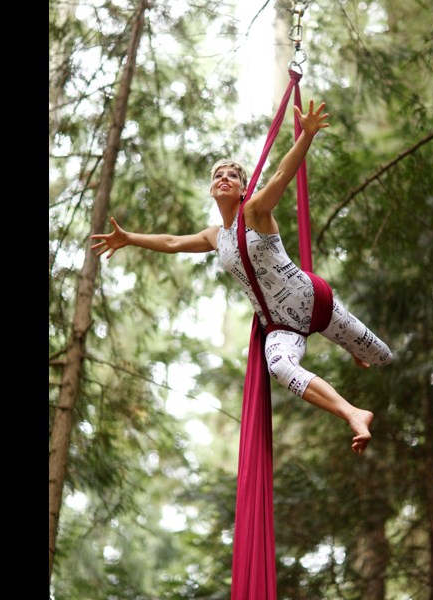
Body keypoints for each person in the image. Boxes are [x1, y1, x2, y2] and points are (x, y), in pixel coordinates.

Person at [90, 100, 392, 455]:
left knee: (383, 357)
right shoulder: (215, 236)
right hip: (280, 325)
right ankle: (353, 413)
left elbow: (280, 175)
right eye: (218, 175)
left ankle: (353, 346)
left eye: (232, 175)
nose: (224, 178)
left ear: (243, 188)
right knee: (279, 366)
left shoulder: (255, 212)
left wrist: (307, 135)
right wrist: (129, 238)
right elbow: (172, 242)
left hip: (313, 301)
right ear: (211, 189)